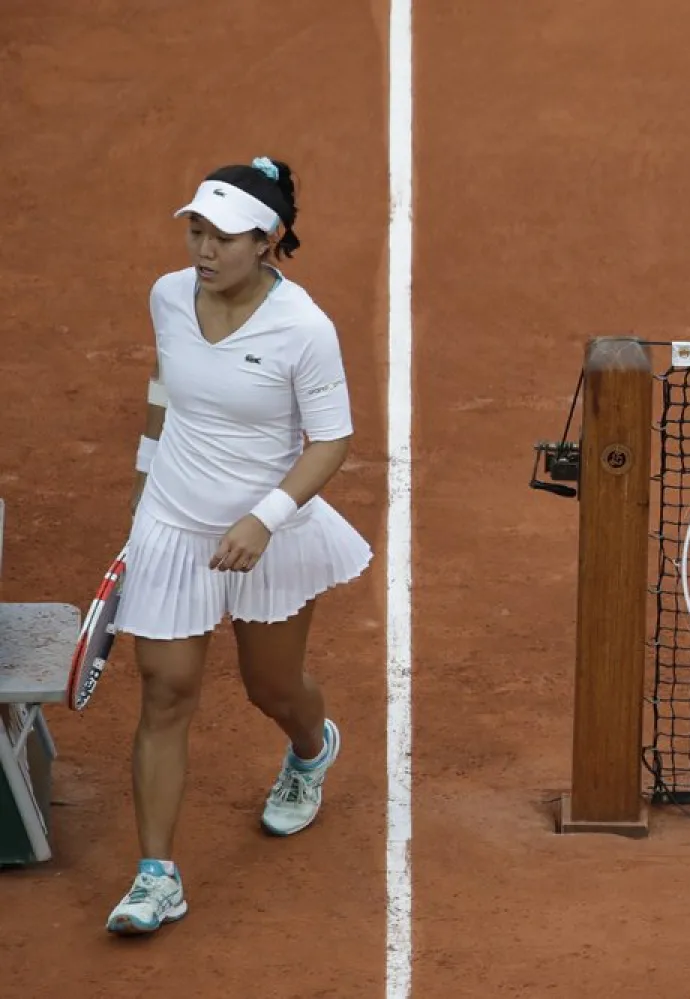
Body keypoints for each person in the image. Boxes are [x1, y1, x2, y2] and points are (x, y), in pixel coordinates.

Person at [105, 157, 372, 935]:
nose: (204, 249)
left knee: (271, 686)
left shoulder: (305, 330)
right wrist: (143, 488)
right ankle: (156, 876)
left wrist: (265, 518)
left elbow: (332, 440)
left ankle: (311, 750)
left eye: (222, 236)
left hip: (267, 529)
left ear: (267, 240)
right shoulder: (168, 295)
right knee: (166, 690)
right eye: (196, 231)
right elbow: (166, 388)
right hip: (174, 521)